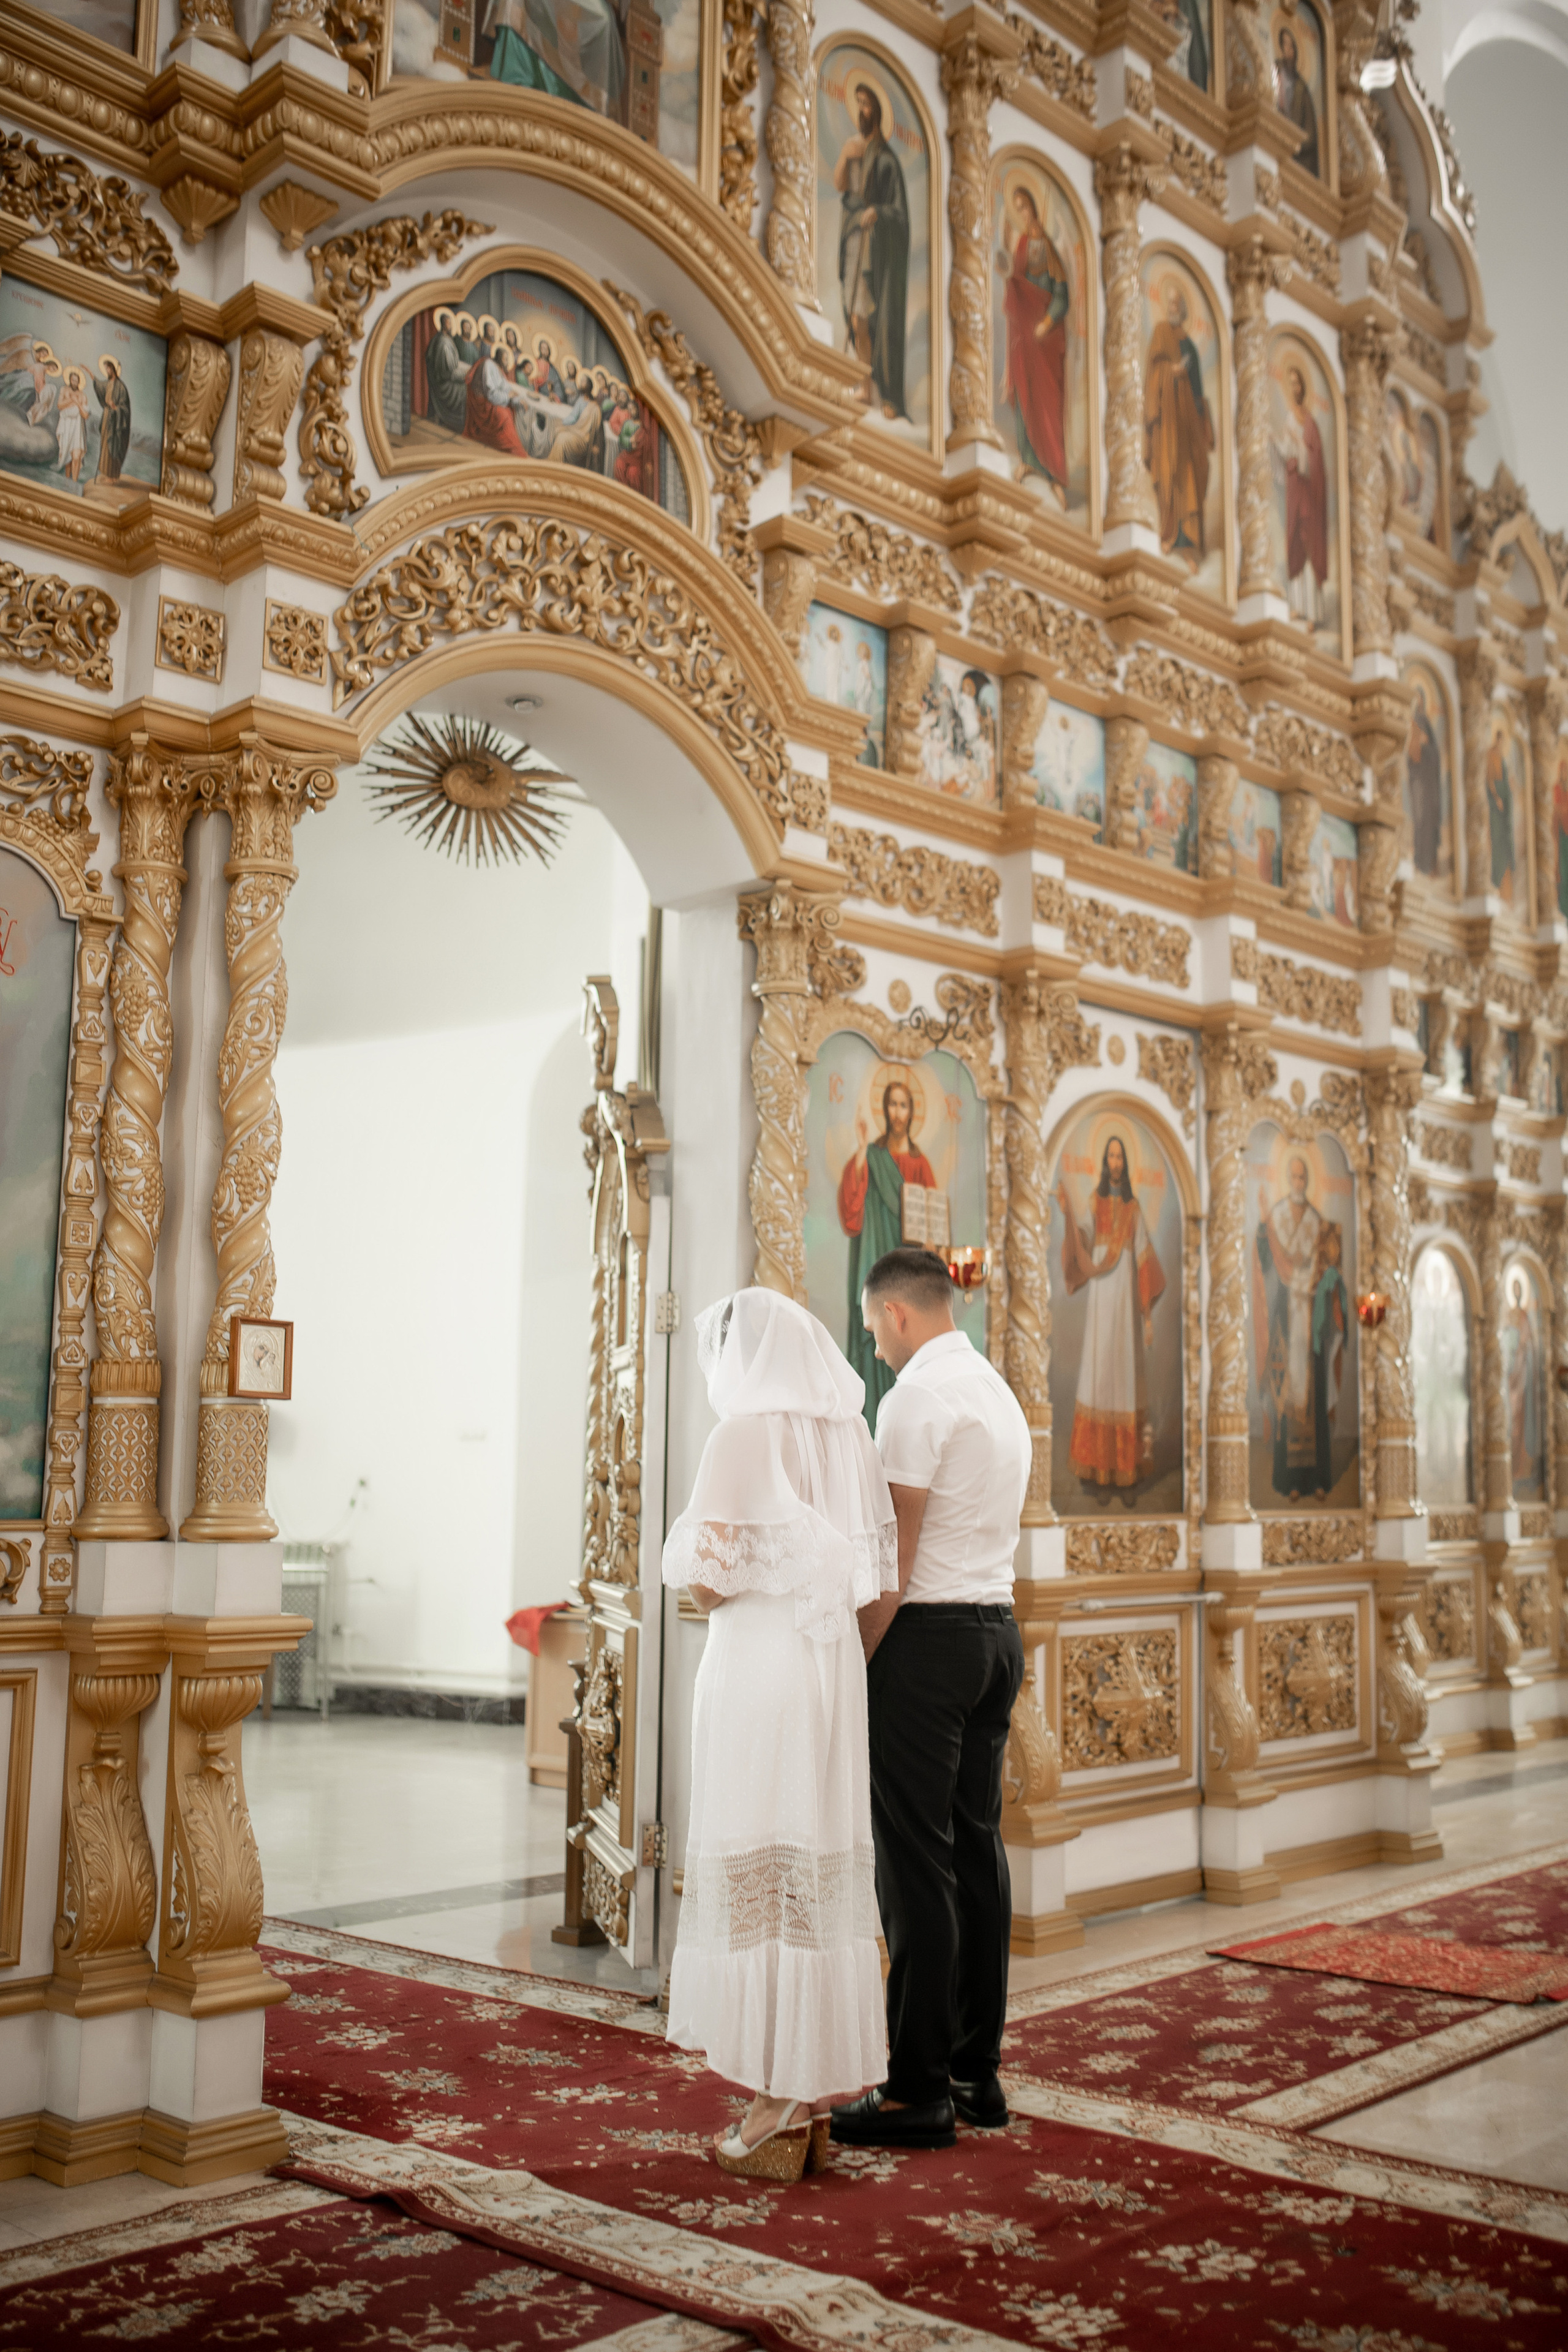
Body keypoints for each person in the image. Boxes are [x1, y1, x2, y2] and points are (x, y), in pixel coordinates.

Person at [664, 1289, 897, 2181]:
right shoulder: (848, 1437)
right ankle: (803, 2087)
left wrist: (714, 1581)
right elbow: (878, 1578)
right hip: (829, 1669)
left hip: (759, 1669)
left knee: (758, 1853)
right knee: (810, 1862)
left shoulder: (743, 1435)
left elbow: (710, 1582)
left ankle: (774, 2095)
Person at [831, 1246, 1031, 2152]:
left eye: (874, 1328)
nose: (875, 1347)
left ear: (900, 1313)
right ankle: (974, 2072)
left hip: (931, 1643)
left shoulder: (915, 1398)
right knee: (977, 1854)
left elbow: (891, 1558)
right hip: (996, 1635)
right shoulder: (995, 1389)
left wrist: (854, 1661)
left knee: (915, 1866)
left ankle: (916, 2093)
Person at [1056, 1136, 1167, 1500]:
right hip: (1101, 1301)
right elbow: (1084, 1240)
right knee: (1099, 1371)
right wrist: (1069, 1214)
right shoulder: (1094, 1202)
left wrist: (1147, 1316)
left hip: (1125, 1304)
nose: (1116, 1161)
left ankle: (1125, 1470)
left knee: (1123, 1374)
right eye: (1112, 1155)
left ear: (1126, 1163)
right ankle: (1098, 1473)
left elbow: (1144, 1258)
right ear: (1105, 1161)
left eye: (1121, 1155)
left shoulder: (1134, 1210)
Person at [837, 1076, 939, 1431]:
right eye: (893, 1104)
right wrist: (863, 1148)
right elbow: (852, 1210)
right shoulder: (874, 1156)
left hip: (907, 1272)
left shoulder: (920, 1164)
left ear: (912, 1112)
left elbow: (932, 1222)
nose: (898, 1112)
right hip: (875, 1259)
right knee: (875, 1339)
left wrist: (932, 1246)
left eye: (904, 1105)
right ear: (885, 1109)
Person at [834, 78, 910, 420]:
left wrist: (877, 212)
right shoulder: (856, 148)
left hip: (875, 250)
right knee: (855, 317)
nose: (861, 111)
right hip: (853, 240)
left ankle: (877, 390)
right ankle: (864, 387)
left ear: (877, 112)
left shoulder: (887, 160)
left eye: (866, 104)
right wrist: (845, 154)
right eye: (858, 103)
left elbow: (900, 213)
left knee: (871, 317)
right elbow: (841, 187)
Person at [1256, 1155, 1332, 1498]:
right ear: (1289, 1179)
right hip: (1286, 1314)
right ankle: (1289, 1482)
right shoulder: (1279, 1216)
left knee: (1312, 1395)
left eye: (1304, 1177)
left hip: (1310, 1314)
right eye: (1295, 1176)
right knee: (1287, 1392)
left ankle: (1316, 1480)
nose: (1299, 1182)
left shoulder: (1316, 1220)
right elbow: (1267, 1255)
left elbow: (1325, 1263)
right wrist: (1262, 1229)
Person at [995, 181, 1071, 499]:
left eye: (1025, 206)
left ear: (1035, 209)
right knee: (1024, 394)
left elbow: (1061, 296)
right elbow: (1017, 282)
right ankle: (1028, 460)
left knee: (1048, 403)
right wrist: (1006, 269)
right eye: (1018, 208)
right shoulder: (1023, 244)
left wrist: (1049, 321)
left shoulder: (1050, 251)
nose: (1023, 214)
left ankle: (1054, 471)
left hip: (1046, 338)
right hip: (1024, 334)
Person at [1144, 279, 1214, 565]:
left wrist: (1202, 423)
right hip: (1167, 420)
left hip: (1186, 423)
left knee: (1189, 472)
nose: (1173, 308)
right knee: (1168, 471)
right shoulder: (1161, 333)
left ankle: (1188, 541)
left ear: (1184, 310)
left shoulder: (1191, 348)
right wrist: (1169, 371)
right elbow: (1153, 369)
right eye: (1170, 303)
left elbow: (1198, 392)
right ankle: (1168, 533)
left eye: (1178, 304)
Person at [1274, 363, 1329, 631]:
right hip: (1295, 491)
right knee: (1295, 541)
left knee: (1308, 542)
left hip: (1309, 495)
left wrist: (1300, 449)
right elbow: (1287, 453)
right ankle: (1296, 605)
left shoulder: (1311, 424)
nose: (1294, 388)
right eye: (1290, 383)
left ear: (1303, 388)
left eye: (1297, 383)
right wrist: (1281, 443)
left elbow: (1315, 463)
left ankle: (1312, 613)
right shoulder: (1288, 418)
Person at [1404, 683, 1444, 877]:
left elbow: (1435, 751)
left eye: (1420, 698)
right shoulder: (1413, 722)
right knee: (1420, 820)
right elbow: (1413, 753)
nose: (1418, 702)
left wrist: (1428, 747)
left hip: (1430, 781)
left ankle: (1431, 862)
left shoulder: (1426, 722)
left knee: (1430, 819)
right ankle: (1421, 861)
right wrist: (1422, 746)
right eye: (1415, 698)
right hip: (1419, 780)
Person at [1274, 23, 1319, 176]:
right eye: (1285, 45)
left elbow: (1311, 136)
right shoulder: (1273, 73)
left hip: (1296, 161)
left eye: (1292, 45)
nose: (1289, 50)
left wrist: (1293, 143)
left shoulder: (1302, 89)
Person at [424, 307, 470, 434]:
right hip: (444, 384)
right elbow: (448, 373)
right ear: (443, 325)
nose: (451, 326)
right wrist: (465, 375)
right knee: (466, 389)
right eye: (449, 323)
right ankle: (457, 423)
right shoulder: (443, 343)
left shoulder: (445, 338)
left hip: (444, 377)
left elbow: (452, 363)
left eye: (451, 323)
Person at [1485, 714, 1515, 900]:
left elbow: (1507, 781)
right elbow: (1490, 780)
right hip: (1495, 807)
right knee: (1496, 841)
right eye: (1500, 741)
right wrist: (1497, 798)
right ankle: (1494, 879)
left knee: (1504, 842)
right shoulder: (1491, 755)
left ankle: (1503, 881)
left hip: (1504, 810)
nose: (1502, 744)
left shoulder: (1503, 759)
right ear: (1497, 739)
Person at [91, 356, 131, 483]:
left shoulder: (121, 387)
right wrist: (92, 376)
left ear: (113, 369)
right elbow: (100, 386)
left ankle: (113, 475)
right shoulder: (108, 383)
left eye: (109, 368)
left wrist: (116, 408)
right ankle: (106, 473)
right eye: (106, 369)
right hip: (107, 417)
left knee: (113, 446)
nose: (107, 371)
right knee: (104, 445)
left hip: (116, 421)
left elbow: (125, 407)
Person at [56, 367, 89, 484]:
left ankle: (74, 483)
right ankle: (67, 483)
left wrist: (77, 403)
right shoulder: (64, 390)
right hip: (66, 426)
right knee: (68, 459)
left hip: (77, 428)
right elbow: (60, 405)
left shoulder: (83, 396)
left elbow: (85, 415)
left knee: (76, 457)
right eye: (73, 380)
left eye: (76, 381)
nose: (74, 382)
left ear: (79, 382)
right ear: (69, 380)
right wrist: (72, 401)